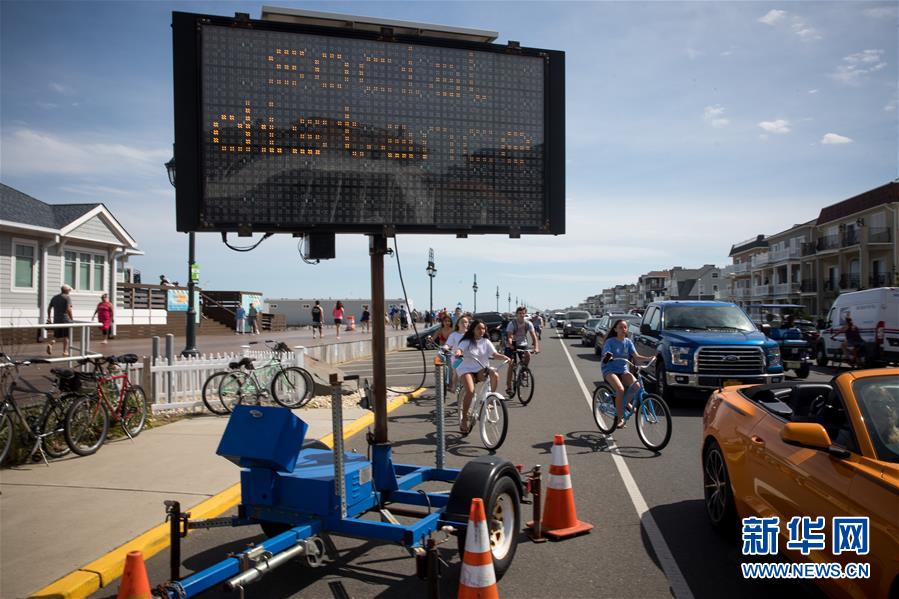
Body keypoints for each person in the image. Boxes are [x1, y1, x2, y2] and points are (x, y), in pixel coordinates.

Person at [454, 319, 511, 435]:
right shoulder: (467, 341)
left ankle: (489, 399)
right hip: (466, 369)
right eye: (478, 328)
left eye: (483, 328)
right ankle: (464, 419)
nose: (481, 330)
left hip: (480, 368)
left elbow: (494, 354)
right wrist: (458, 352)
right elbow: (460, 349)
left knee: (494, 374)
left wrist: (505, 357)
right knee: (470, 391)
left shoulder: (486, 341)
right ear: (473, 330)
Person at [601, 319, 653, 429]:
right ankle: (619, 418)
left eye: (625, 327)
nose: (623, 329)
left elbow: (637, 357)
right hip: (610, 370)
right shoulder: (610, 341)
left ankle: (624, 404)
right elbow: (606, 354)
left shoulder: (628, 342)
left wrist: (650, 358)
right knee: (620, 389)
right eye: (620, 327)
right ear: (615, 329)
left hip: (623, 370)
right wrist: (609, 356)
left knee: (637, 386)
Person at [504, 306, 540, 396]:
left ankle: (524, 370)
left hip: (523, 344)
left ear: (525, 314)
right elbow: (509, 336)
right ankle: (509, 386)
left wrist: (536, 347)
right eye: (520, 313)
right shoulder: (512, 324)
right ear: (517, 314)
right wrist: (511, 344)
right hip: (512, 344)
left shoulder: (528, 323)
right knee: (511, 364)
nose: (521, 315)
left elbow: (534, 336)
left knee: (528, 354)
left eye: (523, 313)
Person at [46, 285, 74, 356]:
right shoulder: (67, 297)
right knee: (66, 336)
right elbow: (68, 309)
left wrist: (49, 317)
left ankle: (50, 344)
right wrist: (71, 319)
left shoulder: (55, 297)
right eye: (69, 290)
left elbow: (49, 308)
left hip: (56, 320)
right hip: (65, 320)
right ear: (66, 290)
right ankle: (65, 351)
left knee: (56, 335)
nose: (70, 292)